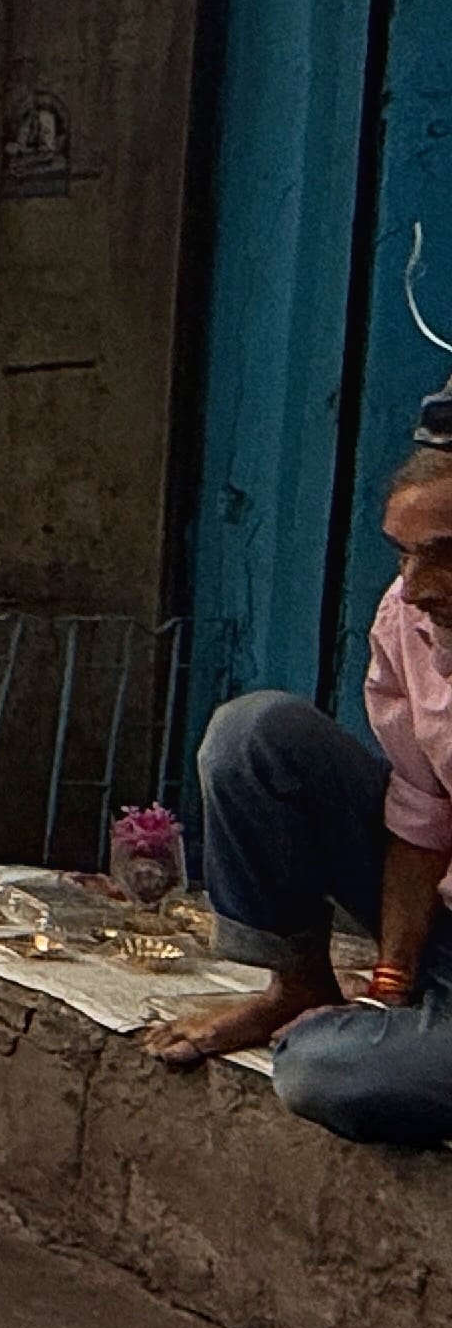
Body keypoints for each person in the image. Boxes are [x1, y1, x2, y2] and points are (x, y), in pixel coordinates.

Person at [149, 448, 452, 1143]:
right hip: (440, 919)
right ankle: (298, 983)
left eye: (442, 554)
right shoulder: (409, 617)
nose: (414, 585)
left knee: (320, 1070)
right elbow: (421, 818)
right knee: (254, 737)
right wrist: (389, 985)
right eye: (403, 554)